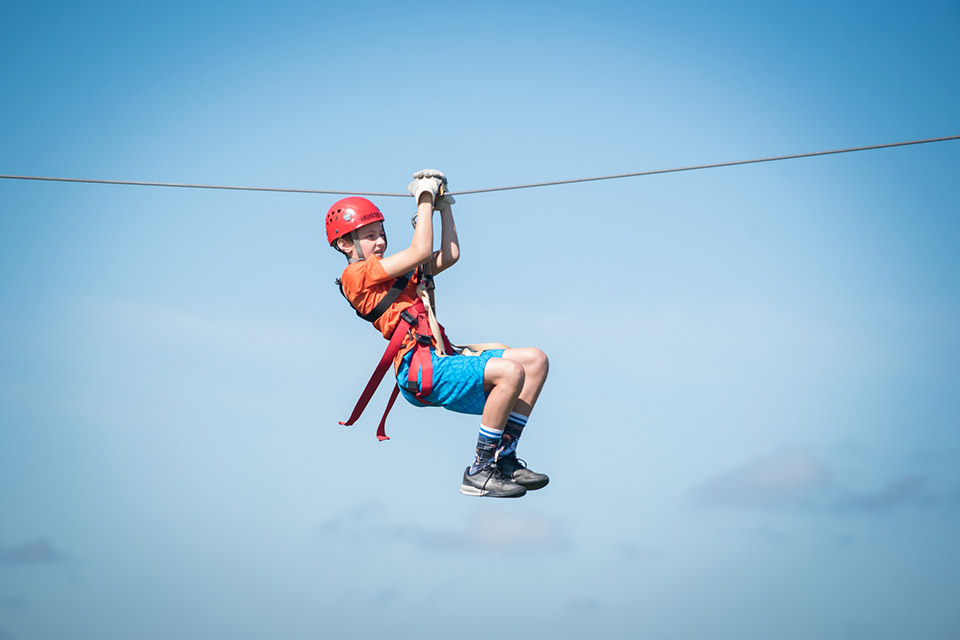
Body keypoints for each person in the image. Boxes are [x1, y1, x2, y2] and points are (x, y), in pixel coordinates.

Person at [327, 169, 550, 498]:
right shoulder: (356, 276)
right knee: (510, 370)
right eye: (371, 236)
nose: (381, 242)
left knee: (534, 360)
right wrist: (424, 199)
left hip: (439, 357)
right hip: (418, 369)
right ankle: (479, 470)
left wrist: (443, 205)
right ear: (346, 244)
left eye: (382, 234)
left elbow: (450, 255)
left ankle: (504, 458)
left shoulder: (391, 273)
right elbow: (419, 252)